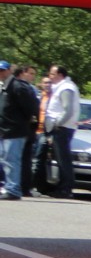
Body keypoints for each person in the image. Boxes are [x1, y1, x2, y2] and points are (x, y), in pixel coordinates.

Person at [0, 65, 40, 200]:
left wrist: (22, 123)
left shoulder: (18, 86)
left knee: (12, 161)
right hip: (5, 131)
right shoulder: (5, 86)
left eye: (2, 70)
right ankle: (8, 187)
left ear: (9, 71)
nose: (0, 73)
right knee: (6, 160)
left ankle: (13, 190)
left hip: (15, 131)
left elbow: (31, 108)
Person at [44, 64, 80, 198]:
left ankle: (66, 189)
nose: (50, 77)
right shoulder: (60, 87)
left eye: (52, 74)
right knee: (61, 159)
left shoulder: (66, 88)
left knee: (63, 159)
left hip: (62, 128)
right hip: (61, 128)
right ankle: (62, 186)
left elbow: (67, 110)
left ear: (60, 75)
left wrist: (57, 124)